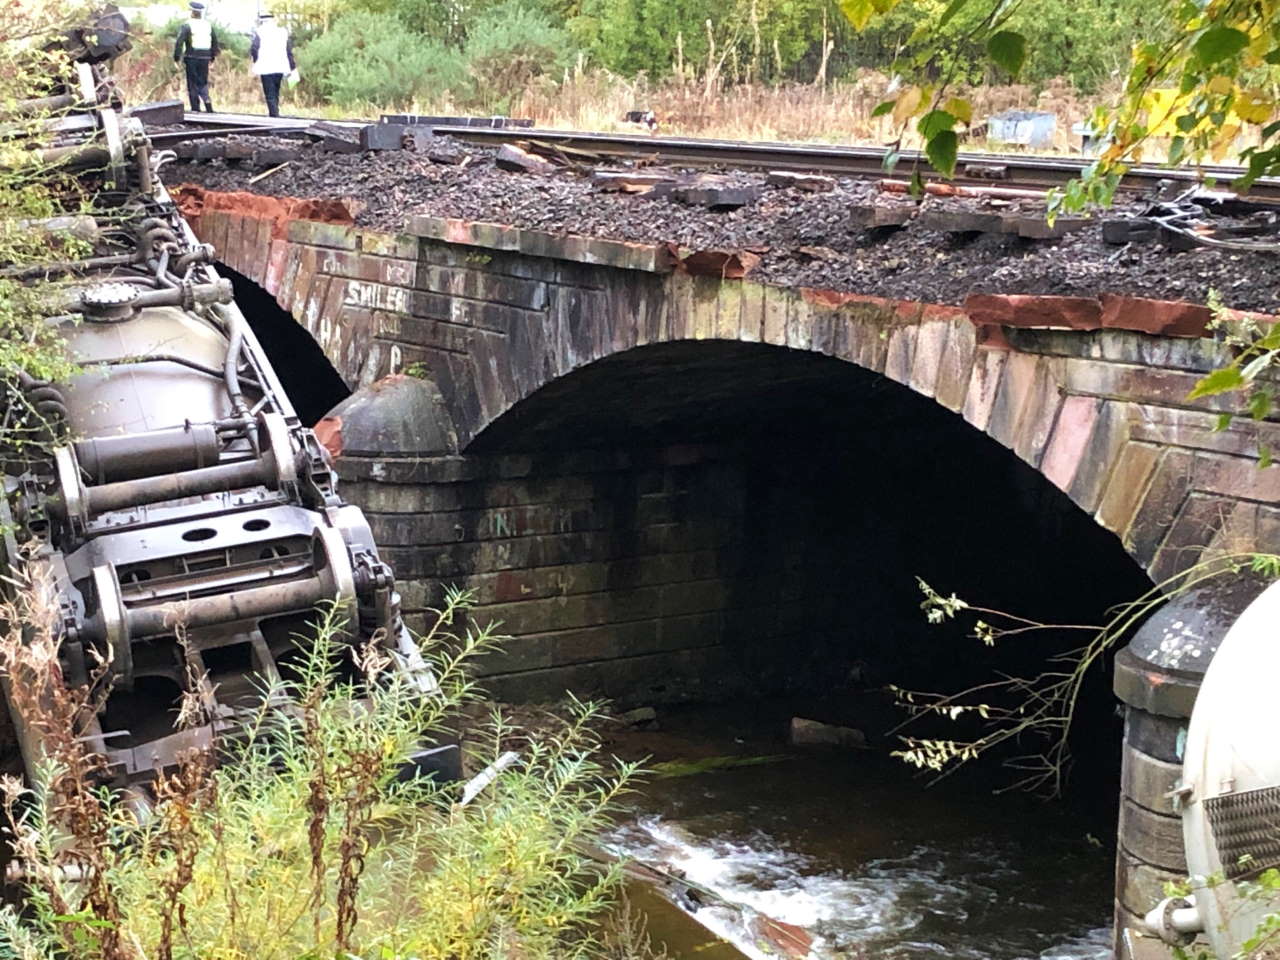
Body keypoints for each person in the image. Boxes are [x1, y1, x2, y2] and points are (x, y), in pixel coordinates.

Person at [172, 0, 219, 113]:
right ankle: (208, 104)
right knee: (202, 81)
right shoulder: (208, 25)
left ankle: (195, 108)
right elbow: (214, 42)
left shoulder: (187, 24)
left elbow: (179, 42)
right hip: (205, 57)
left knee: (192, 83)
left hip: (192, 56)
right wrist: (212, 58)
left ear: (192, 12)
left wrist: (176, 58)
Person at [250, 11, 296, 118]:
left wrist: (257, 61)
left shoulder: (259, 32)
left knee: (269, 92)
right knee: (276, 90)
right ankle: (275, 112)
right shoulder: (282, 32)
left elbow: (254, 48)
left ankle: (274, 115)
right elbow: (288, 50)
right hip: (280, 66)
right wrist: (292, 66)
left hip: (265, 66)